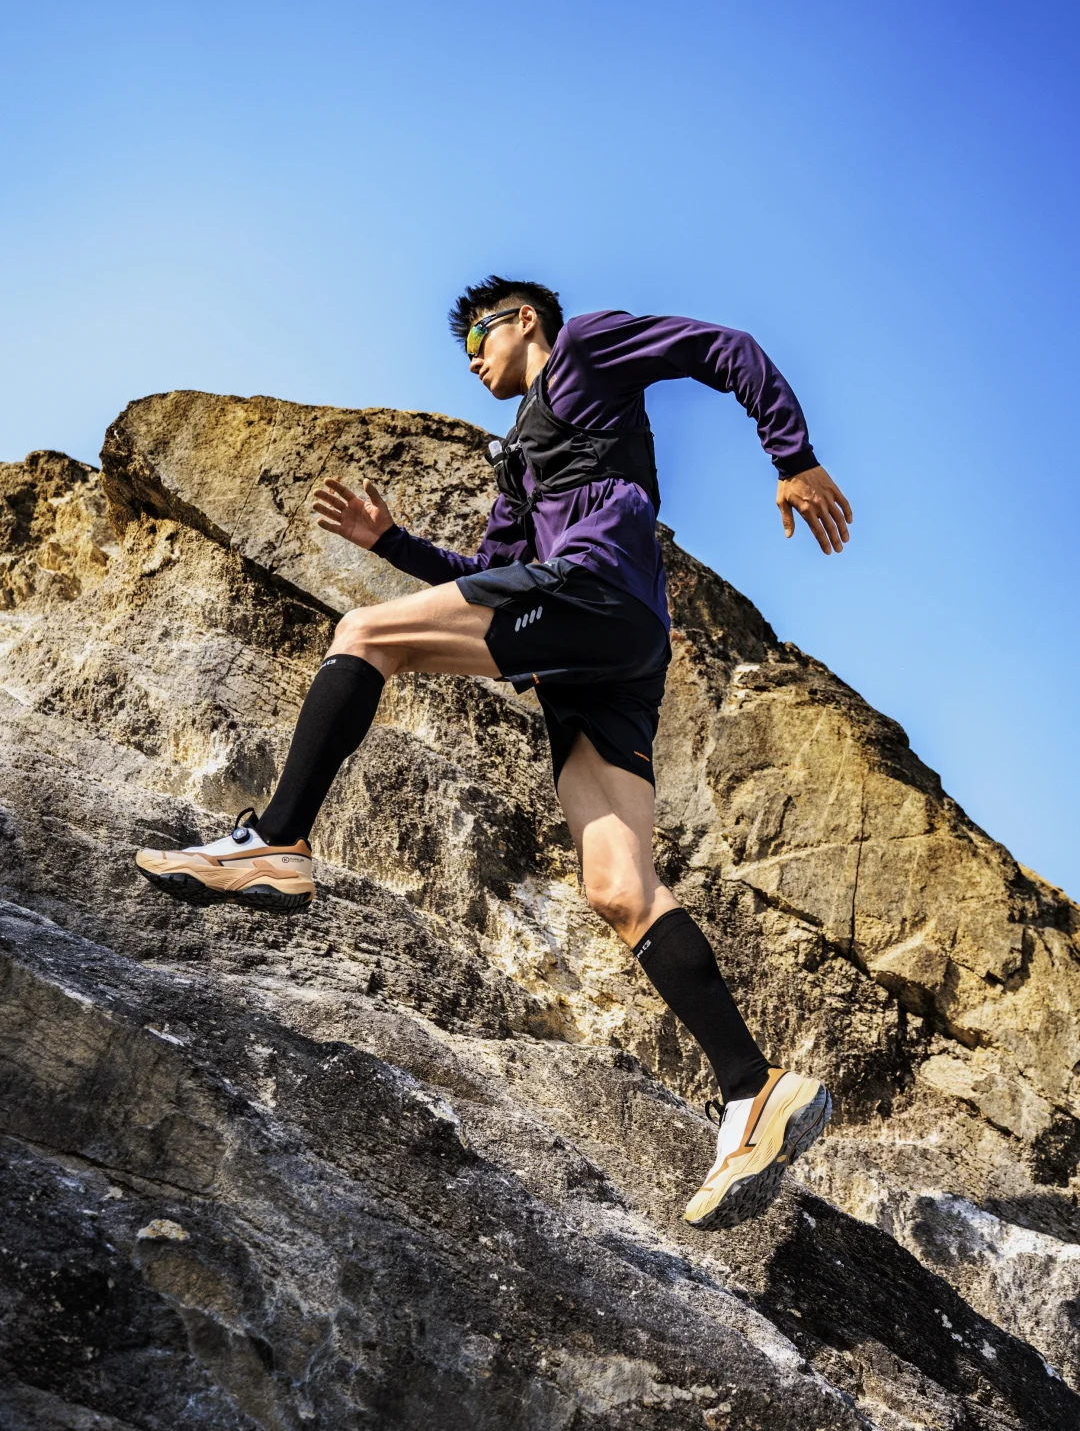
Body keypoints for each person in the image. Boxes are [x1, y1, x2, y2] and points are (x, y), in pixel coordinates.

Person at [136, 276, 851, 1228]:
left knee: (363, 634)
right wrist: (393, 541)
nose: (472, 356)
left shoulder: (589, 347)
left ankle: (278, 839)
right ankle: (752, 1091)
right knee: (619, 888)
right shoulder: (518, 461)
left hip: (595, 592)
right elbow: (486, 576)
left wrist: (792, 457)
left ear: (526, 321)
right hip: (601, 650)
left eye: (480, 333)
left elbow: (726, 349)